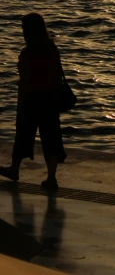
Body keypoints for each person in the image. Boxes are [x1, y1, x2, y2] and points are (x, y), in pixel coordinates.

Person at [0, 13, 68, 192]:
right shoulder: (52, 48)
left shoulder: (27, 52)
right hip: (50, 99)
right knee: (52, 138)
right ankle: (51, 177)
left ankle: (15, 169)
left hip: (32, 99)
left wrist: (21, 104)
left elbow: (25, 81)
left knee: (23, 135)